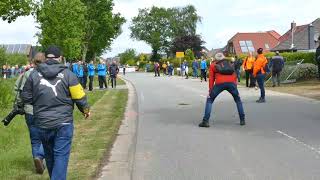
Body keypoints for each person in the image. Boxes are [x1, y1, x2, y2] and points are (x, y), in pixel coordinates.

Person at [21, 45, 91, 180]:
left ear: (46, 57)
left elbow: (26, 97)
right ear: (60, 58)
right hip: (63, 123)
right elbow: (80, 97)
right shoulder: (69, 75)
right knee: (61, 156)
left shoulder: (34, 74)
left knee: (50, 156)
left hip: (42, 123)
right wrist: (86, 111)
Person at [15, 53, 46, 174]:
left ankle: (38, 161)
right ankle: (40, 156)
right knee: (48, 136)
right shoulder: (47, 74)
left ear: (33, 62)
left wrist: (20, 106)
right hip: (44, 110)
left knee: (35, 139)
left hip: (29, 110)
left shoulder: (26, 74)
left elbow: (19, 92)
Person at [199, 53, 245, 127]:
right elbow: (234, 75)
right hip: (231, 83)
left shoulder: (213, 65)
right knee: (238, 100)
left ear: (216, 59)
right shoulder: (230, 63)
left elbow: (211, 79)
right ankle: (242, 120)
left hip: (219, 83)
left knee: (209, 100)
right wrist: (235, 87)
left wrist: (210, 91)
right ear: (224, 57)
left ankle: (205, 121)